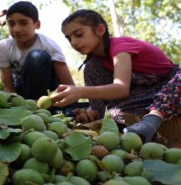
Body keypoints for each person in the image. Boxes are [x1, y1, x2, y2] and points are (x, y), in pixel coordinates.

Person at [50, 9, 180, 143]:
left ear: (100, 30)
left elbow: (121, 88)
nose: (73, 42)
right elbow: (106, 95)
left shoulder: (120, 48)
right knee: (92, 70)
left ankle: (151, 120)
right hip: (143, 93)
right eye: (69, 38)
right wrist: (90, 112)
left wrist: (79, 92)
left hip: (170, 86)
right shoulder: (95, 63)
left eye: (79, 34)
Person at [0, 1, 75, 100]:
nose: (16, 29)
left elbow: (68, 85)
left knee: (36, 57)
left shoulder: (49, 46)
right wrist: (15, 104)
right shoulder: (2, 47)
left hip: (49, 94)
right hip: (22, 93)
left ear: (37, 25)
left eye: (23, 23)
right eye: (11, 24)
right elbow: (7, 85)